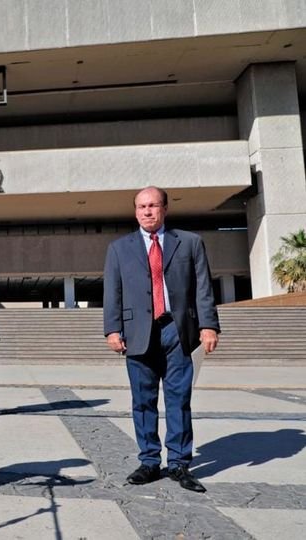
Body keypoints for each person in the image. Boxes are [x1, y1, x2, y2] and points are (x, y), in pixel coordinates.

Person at [103, 186, 220, 493]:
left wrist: (208, 325)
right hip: (137, 333)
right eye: (142, 206)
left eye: (154, 205)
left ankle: (180, 463)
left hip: (178, 331)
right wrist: (112, 330)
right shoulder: (119, 248)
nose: (147, 211)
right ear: (135, 211)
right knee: (143, 401)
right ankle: (150, 461)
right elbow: (112, 292)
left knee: (179, 400)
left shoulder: (190, 243)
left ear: (165, 209)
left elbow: (203, 288)